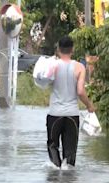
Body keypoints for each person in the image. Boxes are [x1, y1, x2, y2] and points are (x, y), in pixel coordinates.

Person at [46, 36, 95, 168]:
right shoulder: (79, 67)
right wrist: (89, 105)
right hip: (72, 115)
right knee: (70, 155)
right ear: (72, 49)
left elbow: (43, 81)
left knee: (53, 149)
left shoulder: (52, 66)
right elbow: (80, 91)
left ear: (58, 49)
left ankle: (54, 182)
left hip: (54, 114)